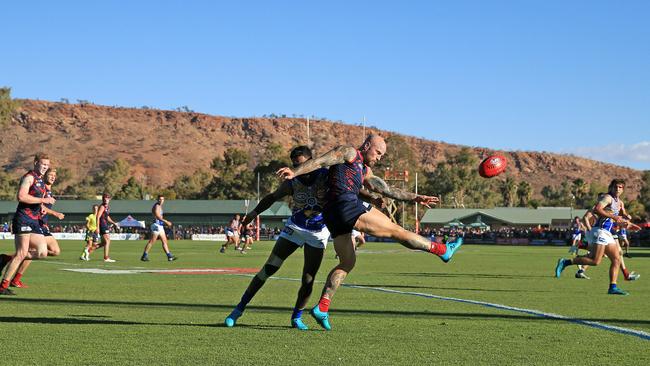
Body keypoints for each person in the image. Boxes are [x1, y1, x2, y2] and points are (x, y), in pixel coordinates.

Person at [276, 135, 463, 330]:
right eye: (378, 152)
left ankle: (322, 307)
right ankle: (442, 249)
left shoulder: (365, 170)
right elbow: (321, 161)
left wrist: (414, 198)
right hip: (345, 204)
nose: (379, 157)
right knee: (396, 230)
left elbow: (386, 189)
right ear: (366, 146)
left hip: (332, 216)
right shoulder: (349, 152)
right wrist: (295, 171)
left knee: (347, 262)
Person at [225, 145, 382, 330]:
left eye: (299, 164)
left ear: (310, 161)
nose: (296, 168)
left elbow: (352, 189)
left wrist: (372, 197)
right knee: (268, 269)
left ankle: (296, 317)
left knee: (308, 279)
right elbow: (272, 197)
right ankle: (238, 310)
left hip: (318, 233)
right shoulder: (292, 181)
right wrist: (253, 213)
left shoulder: (326, 175)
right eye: (293, 164)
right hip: (295, 228)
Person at [555, 179, 634, 295]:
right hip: (600, 231)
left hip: (607, 233)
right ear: (611, 188)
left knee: (616, 259)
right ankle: (565, 262)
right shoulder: (607, 198)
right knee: (595, 261)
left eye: (620, 187)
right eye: (616, 187)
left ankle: (613, 287)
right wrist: (615, 217)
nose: (618, 189)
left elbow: (618, 217)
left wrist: (628, 221)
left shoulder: (619, 202)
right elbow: (597, 209)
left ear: (623, 189)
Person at [0, 154, 56, 295]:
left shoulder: (41, 181)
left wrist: (42, 205)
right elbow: (21, 196)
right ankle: (3, 286)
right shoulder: (29, 177)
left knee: (42, 253)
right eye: (43, 164)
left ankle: (6, 258)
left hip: (34, 220)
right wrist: (43, 200)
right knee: (21, 253)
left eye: (47, 165)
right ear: (36, 163)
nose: (45, 167)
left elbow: (38, 201)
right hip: (23, 218)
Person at [10, 168, 65, 288]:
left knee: (54, 251)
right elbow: (37, 203)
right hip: (35, 223)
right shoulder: (41, 187)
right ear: (44, 175)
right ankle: (15, 277)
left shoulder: (49, 190)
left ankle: (11, 260)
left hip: (42, 224)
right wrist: (54, 213)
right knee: (33, 252)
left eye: (54, 175)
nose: (52, 177)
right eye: (50, 175)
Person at [141, 195, 176, 262]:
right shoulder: (157, 206)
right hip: (156, 225)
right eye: (160, 199)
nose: (161, 200)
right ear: (157, 199)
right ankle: (144, 256)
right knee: (152, 241)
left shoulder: (159, 206)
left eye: (162, 199)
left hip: (159, 225)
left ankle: (169, 256)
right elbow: (157, 216)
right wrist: (166, 221)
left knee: (164, 241)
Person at [95, 192, 119, 262]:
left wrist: (114, 223)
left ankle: (89, 249)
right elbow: (98, 217)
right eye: (105, 198)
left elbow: (107, 217)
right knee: (108, 240)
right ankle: (106, 257)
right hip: (102, 225)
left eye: (107, 198)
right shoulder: (102, 206)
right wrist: (97, 227)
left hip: (104, 225)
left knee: (103, 243)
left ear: (109, 199)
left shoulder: (107, 207)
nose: (106, 200)